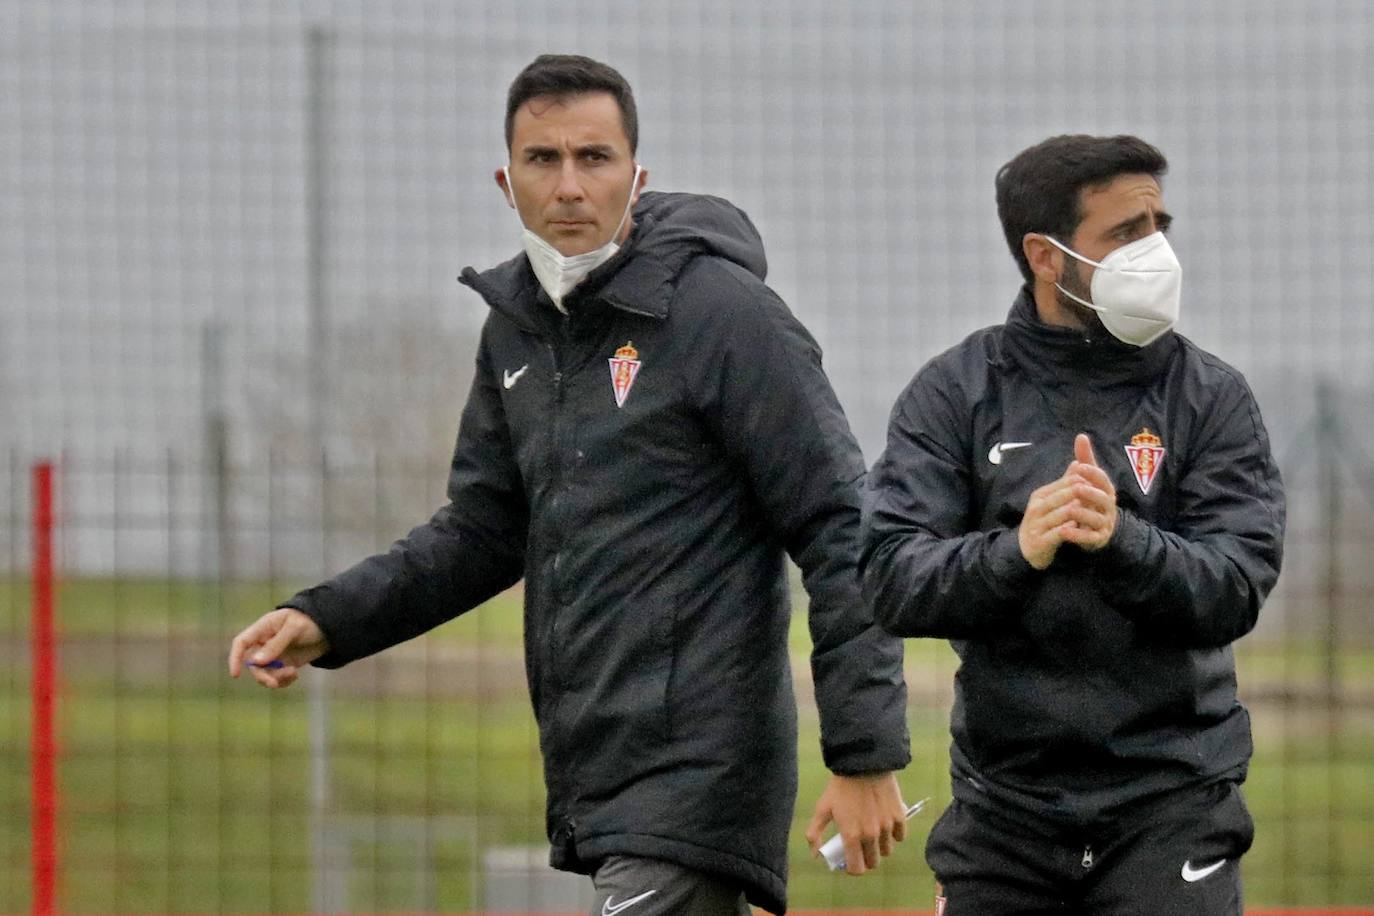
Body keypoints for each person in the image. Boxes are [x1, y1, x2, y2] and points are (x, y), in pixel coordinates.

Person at [228, 54, 911, 915]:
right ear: (506, 181)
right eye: (542, 160)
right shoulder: (516, 327)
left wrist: (864, 753)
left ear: (638, 175)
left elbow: (841, 522)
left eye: (595, 158)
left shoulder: (721, 313)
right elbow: (483, 530)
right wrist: (332, 616)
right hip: (599, 774)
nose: (570, 185)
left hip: (698, 776)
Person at [862, 134, 1285, 916]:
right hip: (1004, 811)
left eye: (1159, 224)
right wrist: (1016, 552)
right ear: (1046, 256)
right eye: (1126, 232)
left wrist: (1123, 540)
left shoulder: (1212, 396)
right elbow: (891, 573)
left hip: (1173, 802)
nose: (1154, 249)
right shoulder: (956, 391)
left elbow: (1237, 585)